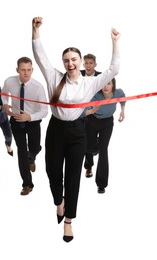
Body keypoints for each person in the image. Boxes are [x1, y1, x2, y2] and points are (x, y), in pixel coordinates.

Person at [32, 16, 120, 242]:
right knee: (53, 173)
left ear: (81, 62)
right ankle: (59, 202)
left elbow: (114, 69)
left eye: (74, 60)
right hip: (56, 130)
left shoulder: (90, 82)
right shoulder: (54, 78)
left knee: (73, 178)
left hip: (77, 132)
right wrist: (35, 30)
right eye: (66, 60)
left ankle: (69, 221)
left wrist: (115, 42)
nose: (70, 64)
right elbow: (40, 56)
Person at [2, 56, 48, 196]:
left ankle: (32, 157)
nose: (26, 73)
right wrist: (5, 105)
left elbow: (45, 111)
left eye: (29, 70)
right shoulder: (9, 81)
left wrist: (29, 117)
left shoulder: (38, 87)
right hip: (16, 120)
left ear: (32, 70)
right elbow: (3, 94)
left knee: (35, 147)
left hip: (32, 120)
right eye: (23, 70)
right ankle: (27, 184)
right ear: (17, 70)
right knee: (21, 152)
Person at [83, 78, 126, 194]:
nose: (106, 87)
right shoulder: (95, 95)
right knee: (88, 147)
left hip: (107, 123)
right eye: (103, 84)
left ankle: (101, 184)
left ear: (113, 85)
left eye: (108, 84)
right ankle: (88, 165)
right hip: (92, 121)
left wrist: (122, 110)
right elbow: (84, 108)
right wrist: (90, 110)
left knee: (103, 150)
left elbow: (123, 98)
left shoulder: (118, 92)